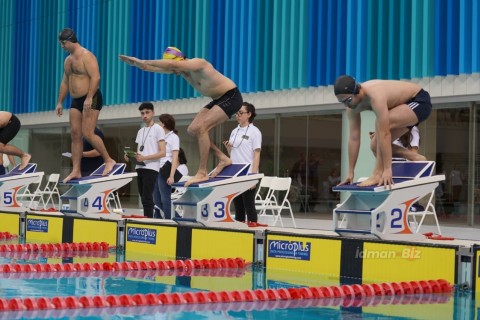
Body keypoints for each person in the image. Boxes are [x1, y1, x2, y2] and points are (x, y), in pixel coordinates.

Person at [119, 46, 242, 187]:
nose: (174, 72)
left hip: (231, 96)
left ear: (180, 60)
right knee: (193, 130)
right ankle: (223, 158)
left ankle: (202, 172)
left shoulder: (198, 63)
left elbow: (172, 65)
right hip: (218, 99)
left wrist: (144, 60)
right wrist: (140, 65)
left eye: (175, 66)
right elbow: (162, 68)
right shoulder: (185, 72)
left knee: (202, 128)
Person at [334, 75, 432, 187]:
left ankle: (377, 174)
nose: (347, 105)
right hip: (401, 107)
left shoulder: (375, 95)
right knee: (375, 145)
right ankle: (415, 157)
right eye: (342, 102)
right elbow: (354, 138)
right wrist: (351, 173)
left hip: (419, 101)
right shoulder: (351, 107)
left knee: (381, 126)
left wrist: (387, 169)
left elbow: (385, 134)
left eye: (348, 100)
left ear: (357, 91)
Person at [55, 28, 116, 182]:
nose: (62, 46)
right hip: (76, 101)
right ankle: (76, 170)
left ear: (69, 41)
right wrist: (60, 102)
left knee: (88, 133)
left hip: (92, 97)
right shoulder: (68, 60)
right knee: (75, 135)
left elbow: (96, 77)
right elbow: (64, 82)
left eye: (63, 43)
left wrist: (89, 97)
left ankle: (109, 160)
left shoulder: (86, 56)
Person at [223, 102, 265, 227]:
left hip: (248, 172)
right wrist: (228, 148)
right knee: (238, 205)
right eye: (237, 113)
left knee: (249, 204)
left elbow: (256, 154)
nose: (238, 115)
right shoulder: (234, 131)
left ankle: (253, 229)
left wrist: (253, 176)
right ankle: (239, 229)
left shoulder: (255, 132)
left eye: (241, 113)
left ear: (249, 114)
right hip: (236, 172)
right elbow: (233, 153)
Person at [125, 102, 165, 218]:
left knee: (147, 197)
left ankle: (148, 221)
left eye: (147, 112)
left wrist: (145, 158)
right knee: (143, 197)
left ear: (153, 113)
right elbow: (140, 152)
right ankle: (147, 218)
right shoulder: (140, 131)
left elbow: (163, 152)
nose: (144, 115)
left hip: (151, 168)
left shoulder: (158, 129)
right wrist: (130, 156)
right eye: (142, 113)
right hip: (140, 167)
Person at [153, 114, 180, 219]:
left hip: (165, 170)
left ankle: (170, 222)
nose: (157, 123)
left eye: (158, 122)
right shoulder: (159, 138)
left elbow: (175, 158)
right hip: (155, 169)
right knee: (156, 200)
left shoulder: (174, 137)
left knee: (165, 199)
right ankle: (177, 217)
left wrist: (172, 175)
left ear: (163, 124)